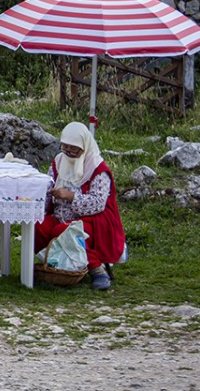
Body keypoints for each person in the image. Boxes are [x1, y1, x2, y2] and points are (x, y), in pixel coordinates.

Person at [34, 121, 126, 290]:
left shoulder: (97, 168)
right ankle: (49, 265)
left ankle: (96, 269)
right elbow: (48, 186)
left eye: (74, 148)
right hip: (60, 216)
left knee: (64, 231)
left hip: (92, 220)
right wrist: (44, 200)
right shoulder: (59, 161)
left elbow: (98, 203)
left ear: (84, 146)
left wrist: (70, 196)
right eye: (65, 147)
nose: (68, 151)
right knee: (37, 226)